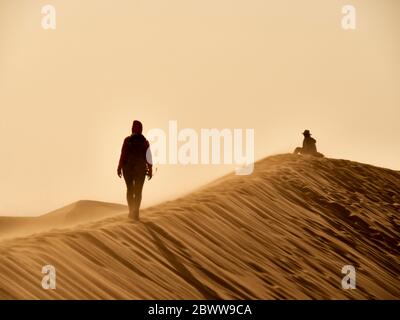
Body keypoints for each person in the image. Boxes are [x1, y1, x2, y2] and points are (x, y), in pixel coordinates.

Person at [117, 120, 152, 221]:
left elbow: (123, 154)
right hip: (140, 169)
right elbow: (148, 158)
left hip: (128, 169)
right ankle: (135, 212)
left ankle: (131, 211)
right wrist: (150, 169)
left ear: (133, 128)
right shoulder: (145, 142)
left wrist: (119, 167)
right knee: (138, 192)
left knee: (130, 190)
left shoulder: (127, 140)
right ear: (141, 129)